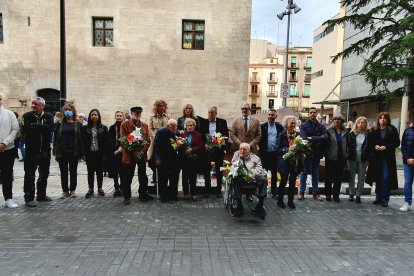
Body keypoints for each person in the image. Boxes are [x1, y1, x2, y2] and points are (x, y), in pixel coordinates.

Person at [23, 96, 55, 207]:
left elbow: (51, 128)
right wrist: (43, 128)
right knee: (30, 174)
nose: (33, 106)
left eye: (36, 104)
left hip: (45, 150)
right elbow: (27, 129)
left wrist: (36, 126)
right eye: (32, 104)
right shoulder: (27, 116)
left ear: (42, 106)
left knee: (44, 173)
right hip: (32, 151)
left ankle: (41, 194)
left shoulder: (48, 116)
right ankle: (29, 197)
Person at [363, 112, 400, 207]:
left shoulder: (392, 130)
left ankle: (385, 199)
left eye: (384, 118)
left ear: (388, 120)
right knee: (377, 177)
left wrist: (386, 147)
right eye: (381, 118)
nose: (382, 120)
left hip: (387, 158)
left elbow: (396, 142)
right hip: (376, 158)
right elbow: (369, 143)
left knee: (385, 177)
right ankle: (378, 197)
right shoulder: (373, 130)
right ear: (378, 119)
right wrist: (375, 146)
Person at [120, 106, 152, 205]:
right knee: (128, 176)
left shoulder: (144, 125)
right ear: (132, 113)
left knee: (143, 175)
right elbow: (124, 140)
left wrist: (142, 151)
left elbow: (147, 140)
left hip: (141, 155)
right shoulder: (125, 124)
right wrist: (133, 151)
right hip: (130, 155)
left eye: (139, 113)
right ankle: (127, 196)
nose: (137, 114)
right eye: (135, 113)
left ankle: (143, 193)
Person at [53, 103, 84, 199]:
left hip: (74, 151)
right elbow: (55, 138)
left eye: (69, 110)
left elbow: (81, 138)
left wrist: (82, 152)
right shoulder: (59, 123)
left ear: (73, 111)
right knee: (63, 172)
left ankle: (73, 190)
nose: (67, 112)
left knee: (73, 172)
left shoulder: (78, 123)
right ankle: (65, 191)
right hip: (62, 151)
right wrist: (55, 151)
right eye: (65, 110)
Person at [231, 143, 268, 219]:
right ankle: (239, 206)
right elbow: (233, 164)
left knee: (263, 180)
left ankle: (260, 206)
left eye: (244, 149)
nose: (242, 151)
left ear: (249, 151)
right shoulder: (236, 154)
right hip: (241, 178)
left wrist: (253, 174)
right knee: (235, 179)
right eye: (240, 149)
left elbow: (259, 168)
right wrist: (240, 158)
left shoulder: (255, 158)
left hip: (253, 178)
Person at [298, 107, 327, 201]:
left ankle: (315, 193)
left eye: (314, 112)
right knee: (304, 172)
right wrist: (319, 137)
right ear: (308, 114)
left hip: (317, 153)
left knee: (315, 173)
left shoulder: (321, 126)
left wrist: (312, 138)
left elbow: (325, 137)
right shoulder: (303, 125)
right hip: (306, 152)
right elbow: (304, 138)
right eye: (311, 112)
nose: (313, 114)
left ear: (316, 113)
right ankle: (301, 192)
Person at [199, 106, 229, 198]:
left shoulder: (222, 122)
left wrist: (220, 142)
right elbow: (201, 135)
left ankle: (218, 190)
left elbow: (226, 135)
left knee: (218, 170)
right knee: (206, 170)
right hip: (207, 150)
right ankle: (207, 190)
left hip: (218, 150)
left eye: (212, 113)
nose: (210, 114)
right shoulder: (203, 122)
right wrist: (204, 144)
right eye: (209, 112)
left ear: (216, 113)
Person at [276, 116, 302, 209]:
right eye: (291, 123)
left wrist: (302, 152)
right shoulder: (281, 135)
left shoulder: (298, 135)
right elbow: (278, 149)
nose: (293, 125)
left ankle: (290, 201)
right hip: (285, 162)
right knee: (283, 182)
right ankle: (280, 201)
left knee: (292, 182)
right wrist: (287, 149)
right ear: (286, 124)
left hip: (295, 162)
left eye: (294, 123)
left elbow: (301, 147)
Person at [81, 109, 109, 198]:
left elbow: (106, 142)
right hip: (89, 153)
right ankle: (90, 188)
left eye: (95, 114)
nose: (94, 116)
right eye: (92, 115)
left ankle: (100, 188)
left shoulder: (103, 128)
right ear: (90, 116)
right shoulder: (85, 128)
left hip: (99, 153)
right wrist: (83, 154)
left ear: (98, 116)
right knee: (90, 171)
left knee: (99, 171)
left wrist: (105, 154)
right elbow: (83, 142)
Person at [258, 108, 284, 199]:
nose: (270, 116)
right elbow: (258, 138)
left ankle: (273, 192)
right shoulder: (262, 126)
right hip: (265, 154)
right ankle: (263, 192)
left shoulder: (280, 127)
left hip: (275, 155)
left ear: (276, 116)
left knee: (274, 174)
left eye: (272, 115)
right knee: (263, 174)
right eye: (269, 115)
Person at [154, 119, 180, 202]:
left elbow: (178, 146)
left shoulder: (177, 132)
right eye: (173, 126)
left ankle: (173, 195)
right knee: (163, 178)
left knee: (174, 178)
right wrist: (158, 158)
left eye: (176, 126)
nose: (175, 128)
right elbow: (156, 146)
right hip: (163, 158)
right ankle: (163, 196)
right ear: (168, 126)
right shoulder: (161, 132)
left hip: (174, 159)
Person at [0, 95, 20, 208]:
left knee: (7, 174)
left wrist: (5, 143)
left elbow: (15, 129)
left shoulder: (9, 114)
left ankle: (8, 198)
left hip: (7, 149)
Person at [324, 114, 349, 202]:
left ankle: (336, 195)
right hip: (331, 157)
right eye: (335, 119)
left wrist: (346, 153)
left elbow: (349, 144)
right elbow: (325, 144)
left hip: (341, 157)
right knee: (329, 177)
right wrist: (328, 154)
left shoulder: (346, 131)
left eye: (339, 119)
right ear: (333, 121)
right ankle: (328, 195)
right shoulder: (329, 131)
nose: (337, 121)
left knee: (338, 177)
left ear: (342, 121)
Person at [179, 118, 203, 201]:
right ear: (185, 126)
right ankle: (185, 194)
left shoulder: (198, 134)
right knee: (185, 177)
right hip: (184, 159)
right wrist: (183, 150)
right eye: (188, 125)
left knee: (193, 177)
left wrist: (191, 150)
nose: (189, 127)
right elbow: (178, 144)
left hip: (194, 159)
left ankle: (193, 193)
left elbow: (200, 146)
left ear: (194, 126)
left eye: (191, 125)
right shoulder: (182, 134)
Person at [148, 100, 171, 184]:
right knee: (152, 161)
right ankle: (155, 177)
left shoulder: (168, 116)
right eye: (161, 106)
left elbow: (169, 128)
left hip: (166, 142)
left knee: (165, 161)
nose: (163, 108)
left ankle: (163, 179)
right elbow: (150, 129)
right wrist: (156, 138)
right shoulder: (152, 117)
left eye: (164, 106)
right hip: (155, 142)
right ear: (157, 107)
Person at [348, 116, 368, 203]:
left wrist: (368, 159)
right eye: (359, 122)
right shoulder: (352, 133)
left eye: (363, 123)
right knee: (351, 176)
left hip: (363, 158)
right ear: (356, 124)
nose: (361, 124)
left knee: (361, 177)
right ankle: (351, 193)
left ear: (365, 124)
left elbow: (370, 147)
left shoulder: (368, 134)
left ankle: (358, 195)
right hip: (352, 157)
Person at [108, 111, 125, 197]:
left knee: (122, 171)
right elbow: (109, 140)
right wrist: (113, 151)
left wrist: (119, 150)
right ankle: (116, 187)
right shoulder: (112, 127)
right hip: (113, 153)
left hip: (122, 152)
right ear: (115, 117)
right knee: (115, 171)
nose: (119, 117)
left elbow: (126, 139)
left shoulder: (125, 127)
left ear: (123, 117)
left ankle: (122, 187)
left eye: (120, 116)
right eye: (117, 116)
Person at [400, 123, 414, 211]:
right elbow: (403, 146)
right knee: (407, 183)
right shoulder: (407, 130)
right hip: (408, 161)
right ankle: (407, 202)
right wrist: (408, 158)